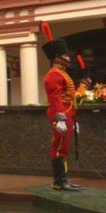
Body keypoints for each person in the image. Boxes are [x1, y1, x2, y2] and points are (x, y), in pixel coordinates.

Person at [42, 37, 90, 191]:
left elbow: (69, 96)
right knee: (59, 147)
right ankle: (59, 181)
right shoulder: (54, 74)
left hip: (67, 113)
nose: (68, 57)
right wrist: (61, 118)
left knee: (65, 146)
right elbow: (55, 98)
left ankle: (63, 180)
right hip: (60, 114)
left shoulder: (62, 73)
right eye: (65, 54)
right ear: (57, 56)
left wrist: (82, 87)